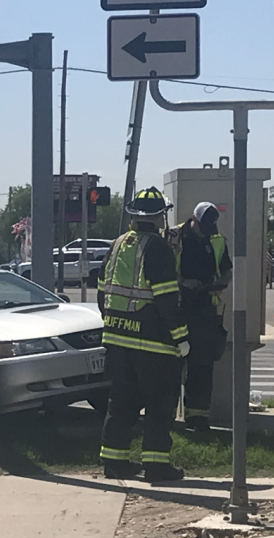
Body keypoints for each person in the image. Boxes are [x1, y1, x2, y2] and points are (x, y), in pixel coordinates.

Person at [98, 187, 190, 483]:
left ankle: (114, 463)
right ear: (160, 216)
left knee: (121, 403)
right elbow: (166, 300)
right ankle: (156, 466)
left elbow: (103, 295)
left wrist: (114, 324)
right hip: (153, 345)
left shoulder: (117, 245)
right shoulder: (158, 248)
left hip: (116, 341)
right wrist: (181, 337)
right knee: (159, 405)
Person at [170, 202, 232, 430]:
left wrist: (221, 284)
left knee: (202, 367)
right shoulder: (174, 237)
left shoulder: (215, 239)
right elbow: (162, 272)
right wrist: (184, 283)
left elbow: (226, 269)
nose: (207, 231)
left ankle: (197, 418)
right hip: (177, 309)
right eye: (203, 226)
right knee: (171, 366)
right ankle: (166, 416)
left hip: (205, 311)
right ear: (193, 220)